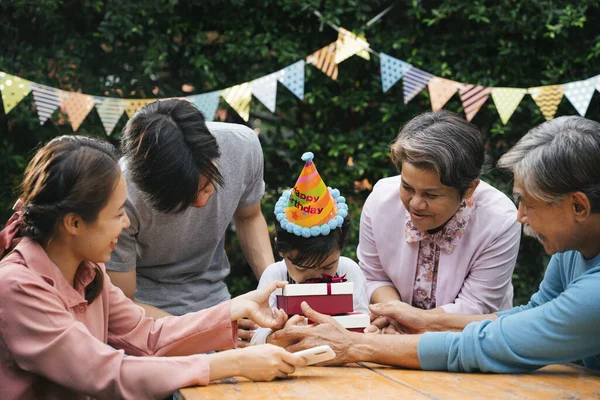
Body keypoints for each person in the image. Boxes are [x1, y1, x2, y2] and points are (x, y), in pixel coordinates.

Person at [272, 116, 600, 372]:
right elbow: (530, 314)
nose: (521, 216)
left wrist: (358, 347)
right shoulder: (572, 247)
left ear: (579, 207)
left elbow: (492, 344)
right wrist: (426, 320)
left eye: (529, 203)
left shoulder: (594, 294)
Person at [0, 136, 305, 400]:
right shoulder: (16, 286)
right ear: (74, 223)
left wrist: (235, 309)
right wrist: (236, 364)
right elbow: (103, 371)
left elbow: (147, 336)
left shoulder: (90, 270)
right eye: (118, 213)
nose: (127, 223)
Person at [105, 99, 274, 344]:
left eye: (207, 186)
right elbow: (123, 305)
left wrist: (269, 290)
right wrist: (208, 333)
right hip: (150, 322)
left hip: (220, 304)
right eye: (185, 198)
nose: (202, 202)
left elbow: (249, 217)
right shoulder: (120, 195)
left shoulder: (241, 147)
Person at [359, 110, 520, 326]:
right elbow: (373, 276)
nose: (415, 203)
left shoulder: (500, 221)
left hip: (467, 343)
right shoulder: (380, 200)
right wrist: (395, 315)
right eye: (407, 187)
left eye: (431, 195)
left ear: (469, 189)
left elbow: (475, 305)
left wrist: (407, 321)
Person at [250, 153, 369, 346]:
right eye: (303, 268)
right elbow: (256, 338)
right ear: (281, 250)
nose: (317, 276)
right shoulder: (275, 276)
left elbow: (364, 321)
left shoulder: (349, 271)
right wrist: (276, 337)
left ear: (341, 247)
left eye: (328, 265)